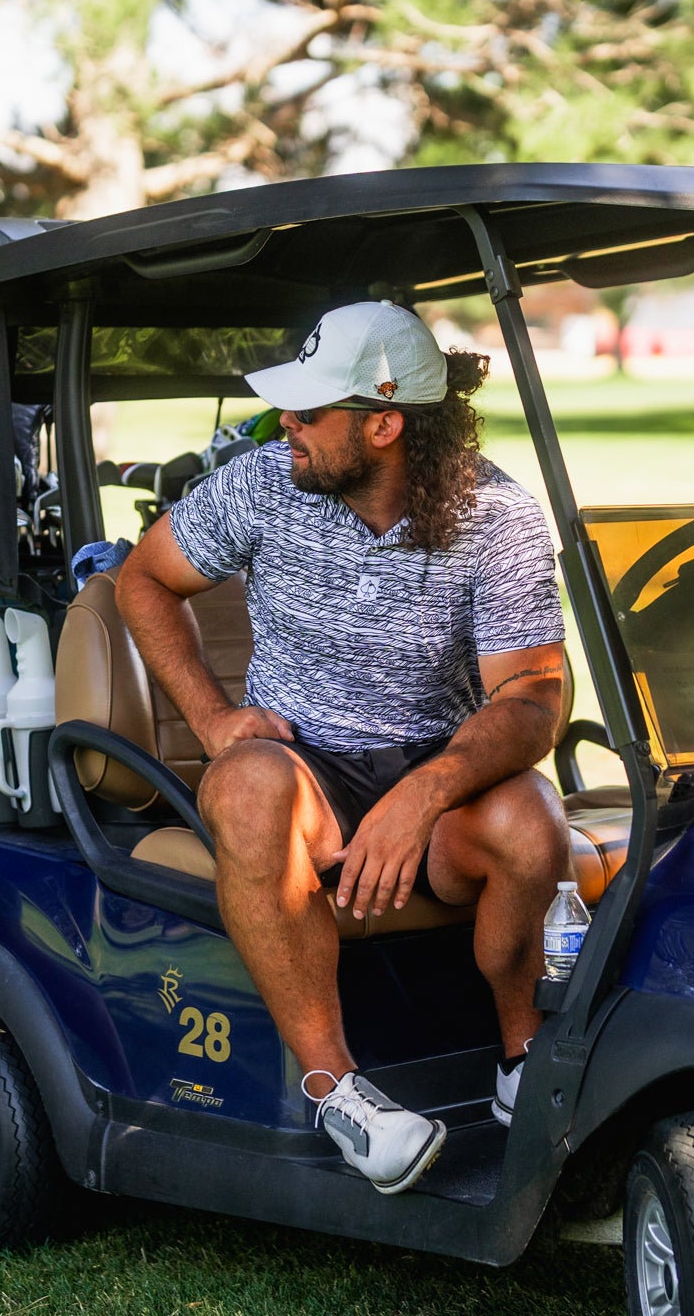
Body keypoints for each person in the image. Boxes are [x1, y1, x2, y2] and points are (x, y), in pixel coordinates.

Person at [114, 301, 571, 1195]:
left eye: (310, 411)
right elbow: (143, 580)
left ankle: (523, 1059)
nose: (288, 423)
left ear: (384, 425)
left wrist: (422, 796)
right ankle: (337, 1088)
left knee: (532, 820)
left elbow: (533, 700)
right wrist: (211, 719)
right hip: (301, 768)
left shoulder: (498, 515)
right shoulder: (263, 483)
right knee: (245, 791)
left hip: (437, 767)